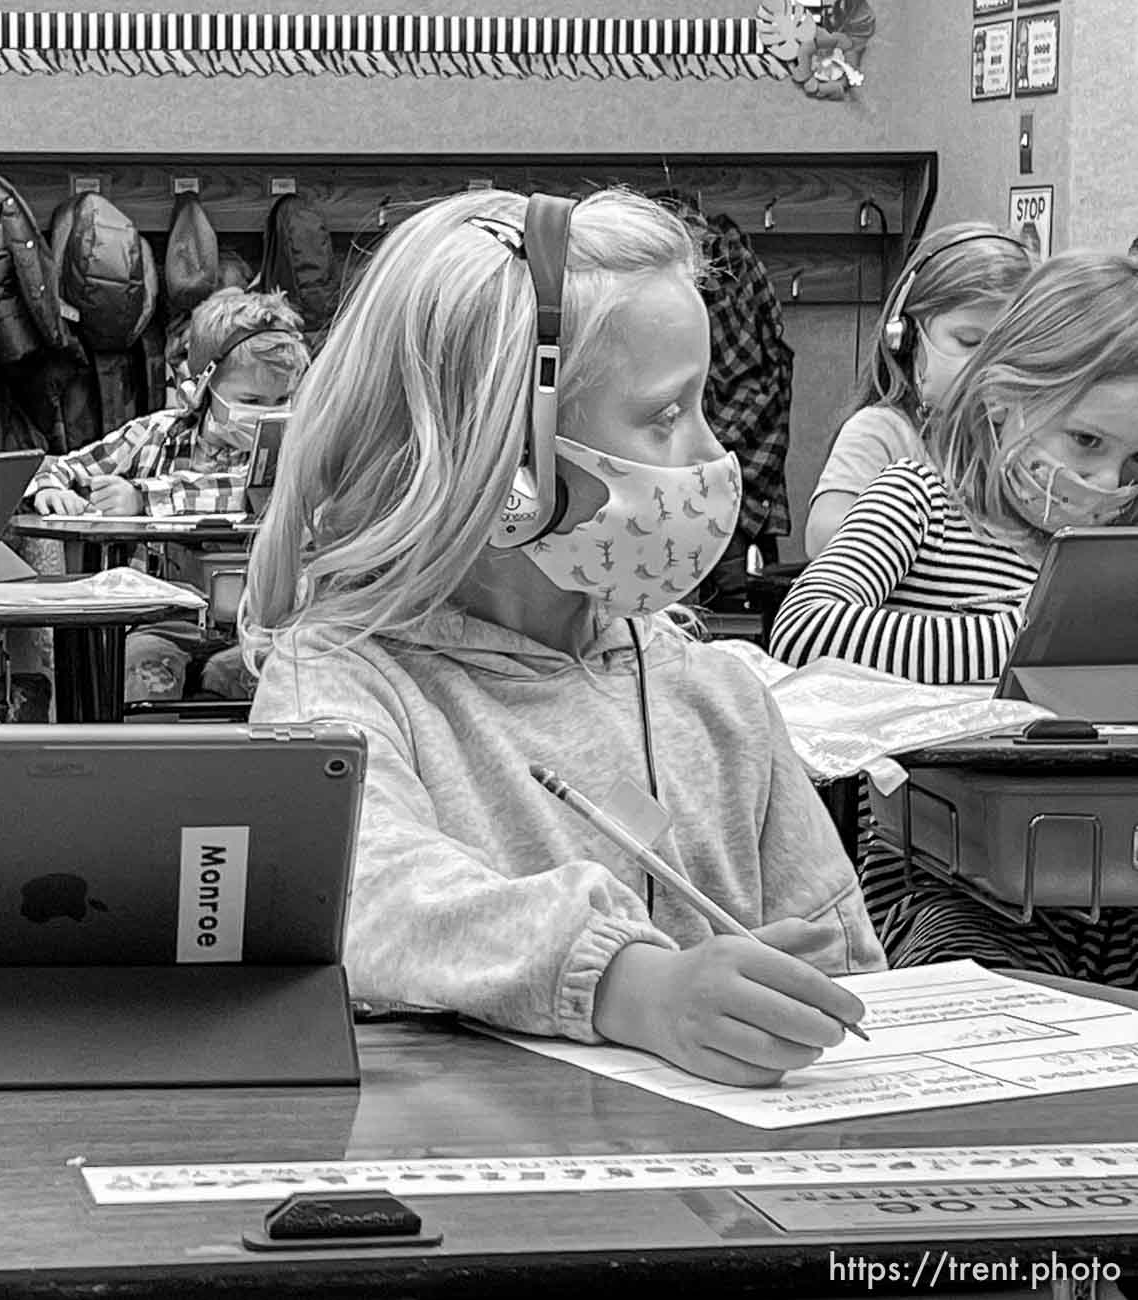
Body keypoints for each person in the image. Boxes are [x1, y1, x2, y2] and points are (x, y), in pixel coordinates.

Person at [243, 188, 884, 1088]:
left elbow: (846, 977)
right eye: (667, 415)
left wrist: (797, 1006)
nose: (711, 453)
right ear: (512, 468)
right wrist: (635, 985)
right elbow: (371, 894)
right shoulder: (342, 686)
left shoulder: (720, 699)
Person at [768, 251, 1138, 976]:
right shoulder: (921, 498)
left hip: (1115, 887)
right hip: (946, 883)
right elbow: (805, 628)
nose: (1105, 482)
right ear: (1004, 397)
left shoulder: (1118, 542)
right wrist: (1026, 640)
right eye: (1086, 442)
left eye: (1134, 463)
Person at [804, 224, 1031, 557]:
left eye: (1010, 346)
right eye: (969, 340)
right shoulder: (882, 432)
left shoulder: (1021, 442)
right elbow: (821, 538)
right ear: (905, 337)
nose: (988, 362)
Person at [26, 287, 307, 518]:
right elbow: (63, 467)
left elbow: (250, 493)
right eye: (251, 400)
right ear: (198, 388)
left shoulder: (293, 451)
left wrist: (141, 498)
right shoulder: (151, 435)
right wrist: (50, 490)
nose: (269, 412)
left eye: (282, 399)